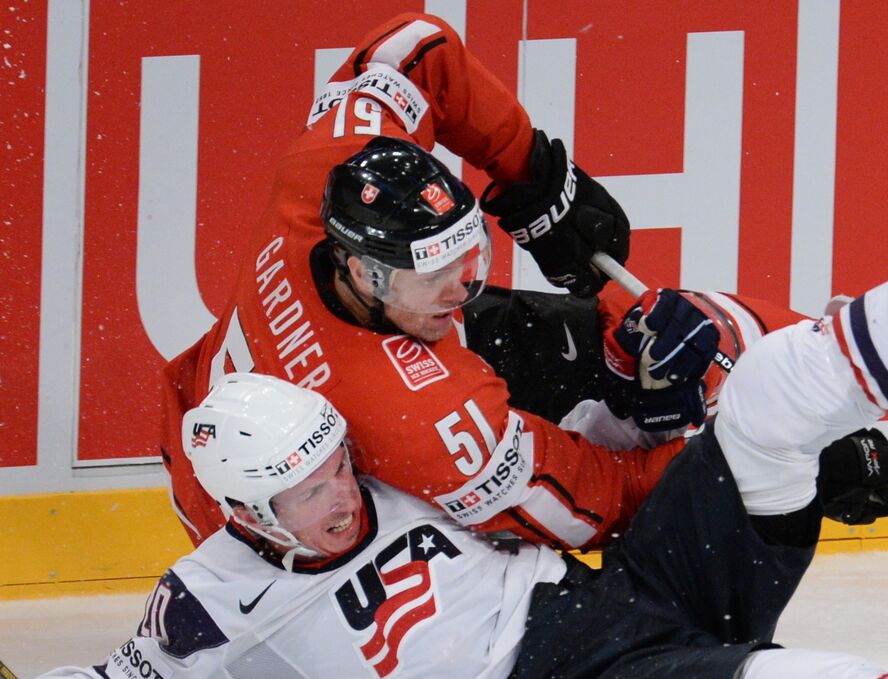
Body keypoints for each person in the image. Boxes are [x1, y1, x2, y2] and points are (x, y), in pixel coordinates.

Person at [12, 133, 888, 679]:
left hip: (601, 601)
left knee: (763, 398)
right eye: (309, 489)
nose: (341, 491)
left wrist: (648, 389)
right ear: (243, 514)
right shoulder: (215, 599)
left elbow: (592, 468)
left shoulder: (379, 453)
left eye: (333, 458)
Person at [161, 11, 809, 554]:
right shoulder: (419, 416)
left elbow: (414, 49)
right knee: (551, 602)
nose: (461, 289)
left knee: (628, 332)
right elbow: (601, 505)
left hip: (229, 444)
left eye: (468, 260)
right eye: (436, 276)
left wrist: (537, 177)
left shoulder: (322, 170)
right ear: (365, 271)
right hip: (294, 562)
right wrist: (745, 457)